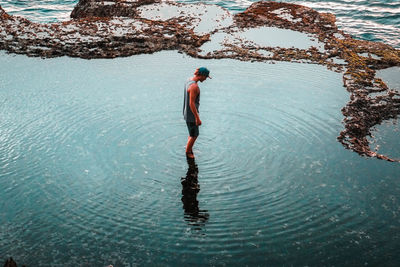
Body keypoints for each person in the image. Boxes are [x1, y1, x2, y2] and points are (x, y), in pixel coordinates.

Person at [183, 67, 211, 158]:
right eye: (206, 77)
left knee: (192, 133)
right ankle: (188, 152)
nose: (206, 79)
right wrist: (197, 118)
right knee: (195, 135)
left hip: (186, 112)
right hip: (191, 115)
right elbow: (191, 103)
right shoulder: (194, 87)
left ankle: (189, 147)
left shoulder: (189, 80)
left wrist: (197, 70)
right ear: (201, 75)